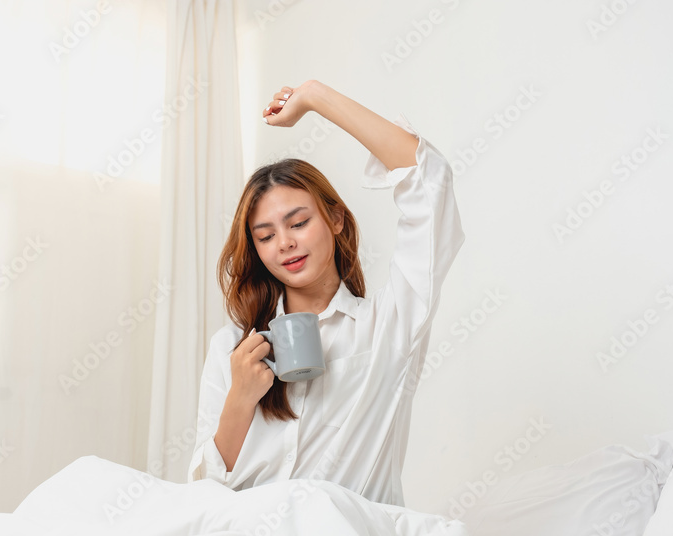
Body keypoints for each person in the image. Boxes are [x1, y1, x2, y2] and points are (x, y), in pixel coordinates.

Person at [186, 79, 465, 507]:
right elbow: (202, 494)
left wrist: (315, 96)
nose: (284, 244)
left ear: (335, 219)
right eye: (265, 236)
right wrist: (240, 399)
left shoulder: (387, 326)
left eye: (298, 224)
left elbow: (429, 180)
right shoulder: (232, 348)